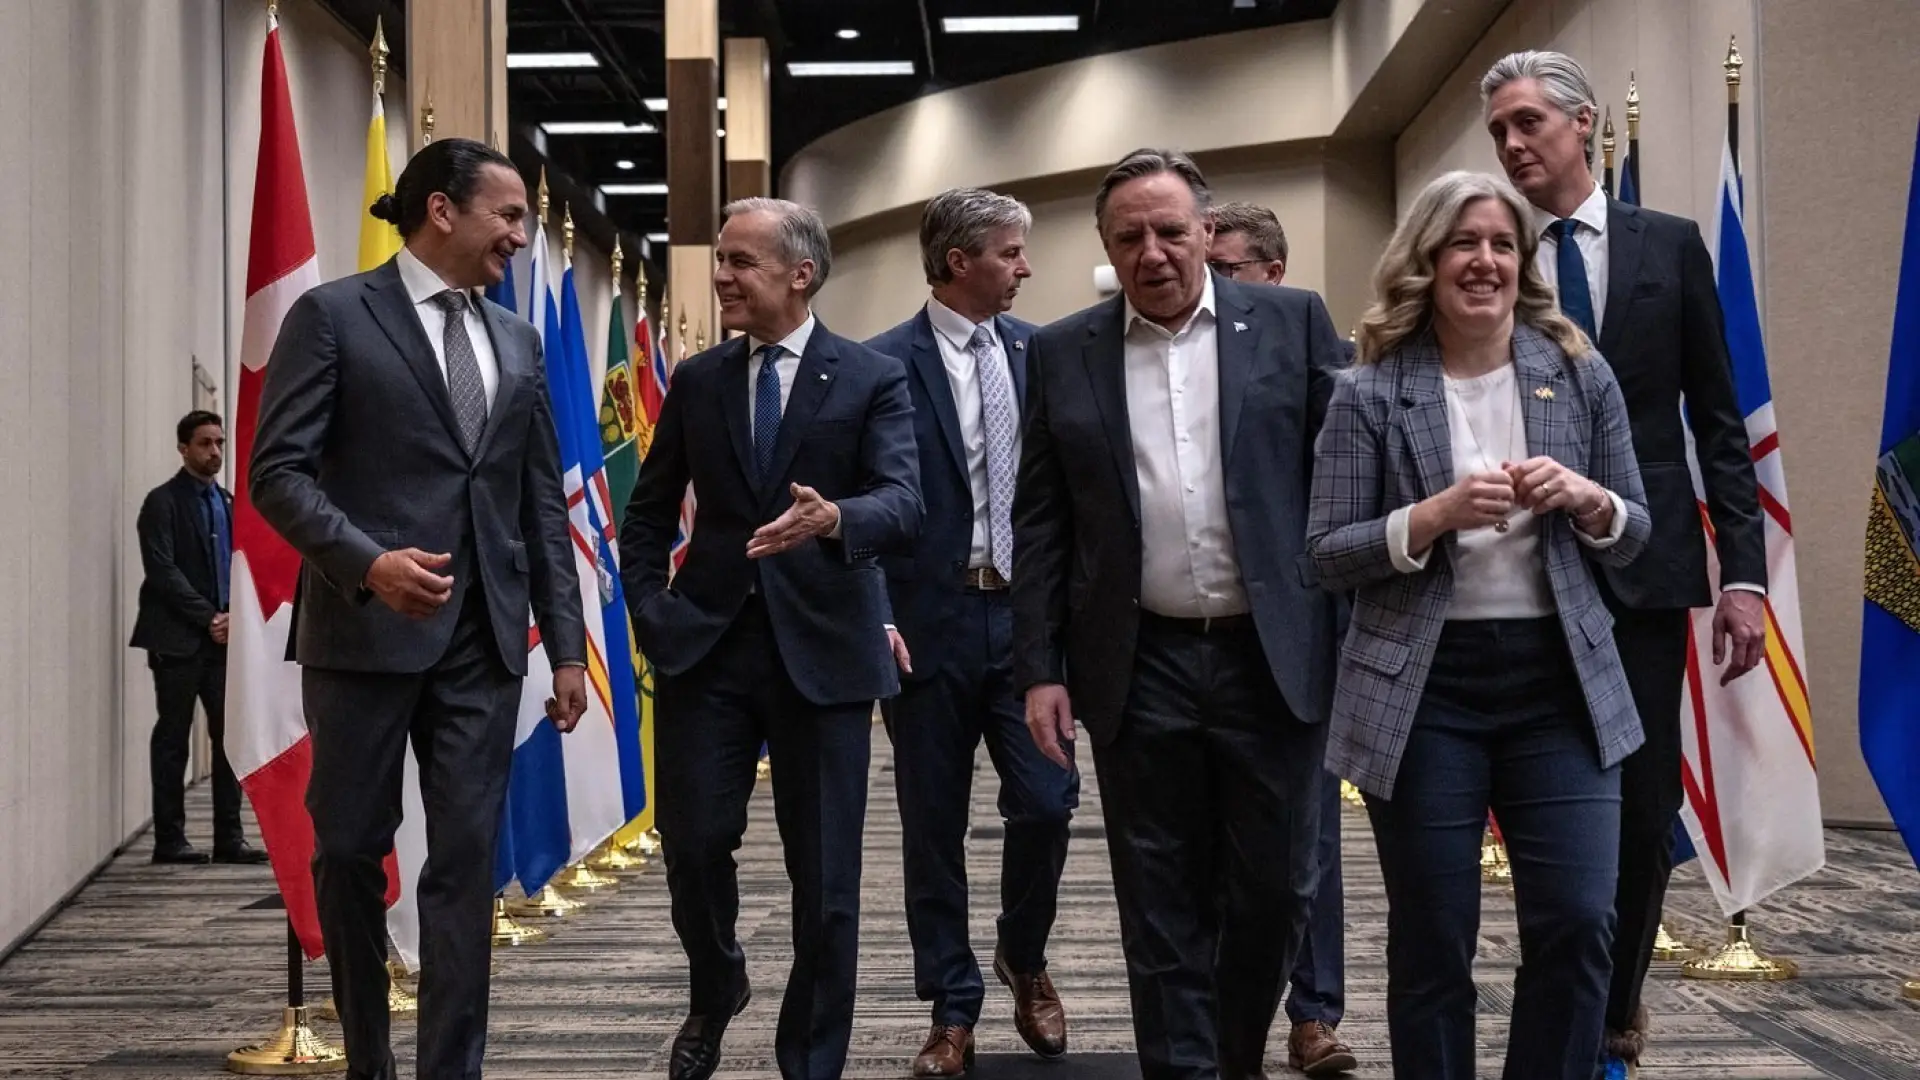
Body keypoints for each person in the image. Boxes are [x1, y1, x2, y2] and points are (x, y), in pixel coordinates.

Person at [249, 137, 589, 1080]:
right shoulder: (332, 316)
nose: (519, 235)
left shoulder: (516, 339)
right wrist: (368, 565)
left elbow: (539, 507)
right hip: (363, 638)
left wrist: (567, 648)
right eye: (507, 215)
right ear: (442, 209)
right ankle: (369, 1058)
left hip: (484, 645)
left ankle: (451, 1069)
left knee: (466, 861)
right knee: (350, 852)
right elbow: (276, 475)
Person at [1307, 169, 1650, 1080]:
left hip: (1561, 684)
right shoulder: (1369, 390)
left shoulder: (1577, 371)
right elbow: (1326, 554)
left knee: (1580, 920)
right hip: (1426, 693)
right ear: (1426, 259)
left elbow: (1636, 533)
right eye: (1464, 243)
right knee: (1433, 935)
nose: (1485, 261)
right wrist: (1432, 516)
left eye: (1503, 244)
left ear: (1523, 262)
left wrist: (1588, 498)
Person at [1013, 148, 1345, 1080]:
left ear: (1206, 230)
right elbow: (1041, 521)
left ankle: (1234, 1057)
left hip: (1272, 657)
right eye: (1129, 237)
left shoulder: (1293, 324)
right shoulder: (1062, 351)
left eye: (1169, 231)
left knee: (1279, 890)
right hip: (1137, 661)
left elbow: (1344, 481)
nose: (1152, 252)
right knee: (1158, 900)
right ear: (1106, 245)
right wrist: (1039, 668)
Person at [1481, 50, 1770, 1070]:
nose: (1513, 144)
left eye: (1528, 122)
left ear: (1583, 124)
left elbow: (1720, 424)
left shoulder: (1670, 245)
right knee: (1539, 811)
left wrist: (1744, 578)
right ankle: (1558, 1007)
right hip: (1519, 570)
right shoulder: (1490, 250)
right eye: (1499, 131)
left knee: (1643, 807)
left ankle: (1613, 1009)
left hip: (1645, 573)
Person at [619, 197, 921, 1080]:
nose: (721, 276)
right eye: (720, 259)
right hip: (704, 649)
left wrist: (837, 518)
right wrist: (651, 610)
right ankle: (717, 981)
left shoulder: (870, 378)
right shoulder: (700, 379)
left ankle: (811, 1062)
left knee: (824, 879)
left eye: (740, 261)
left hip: (824, 655)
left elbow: (903, 501)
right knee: (691, 846)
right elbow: (647, 513)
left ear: (801, 274)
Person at [866, 188, 1075, 1078]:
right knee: (932, 823)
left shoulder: (1046, 354)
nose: (1026, 267)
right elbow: (866, 506)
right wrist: (876, 612)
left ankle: (1022, 954)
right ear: (960, 262)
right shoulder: (881, 365)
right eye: (1011, 252)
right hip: (928, 623)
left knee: (1048, 802)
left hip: (1029, 624)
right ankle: (952, 1006)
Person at [1207, 201, 1356, 1078]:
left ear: (1273, 271)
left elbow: (1342, 477)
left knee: (1309, 839)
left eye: (1226, 268)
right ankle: (1221, 1023)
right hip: (1194, 633)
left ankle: (1314, 1013)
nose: (1211, 284)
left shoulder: (1305, 337)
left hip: (1295, 628)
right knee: (1209, 846)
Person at [130, 411, 269, 867]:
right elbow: (162, 570)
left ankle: (230, 838)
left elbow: (243, 567)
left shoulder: (229, 503)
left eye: (219, 443)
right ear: (183, 448)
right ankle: (169, 841)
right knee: (173, 739)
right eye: (205, 443)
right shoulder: (162, 503)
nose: (214, 451)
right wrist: (209, 616)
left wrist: (235, 620)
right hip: (177, 640)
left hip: (224, 643)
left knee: (229, 741)